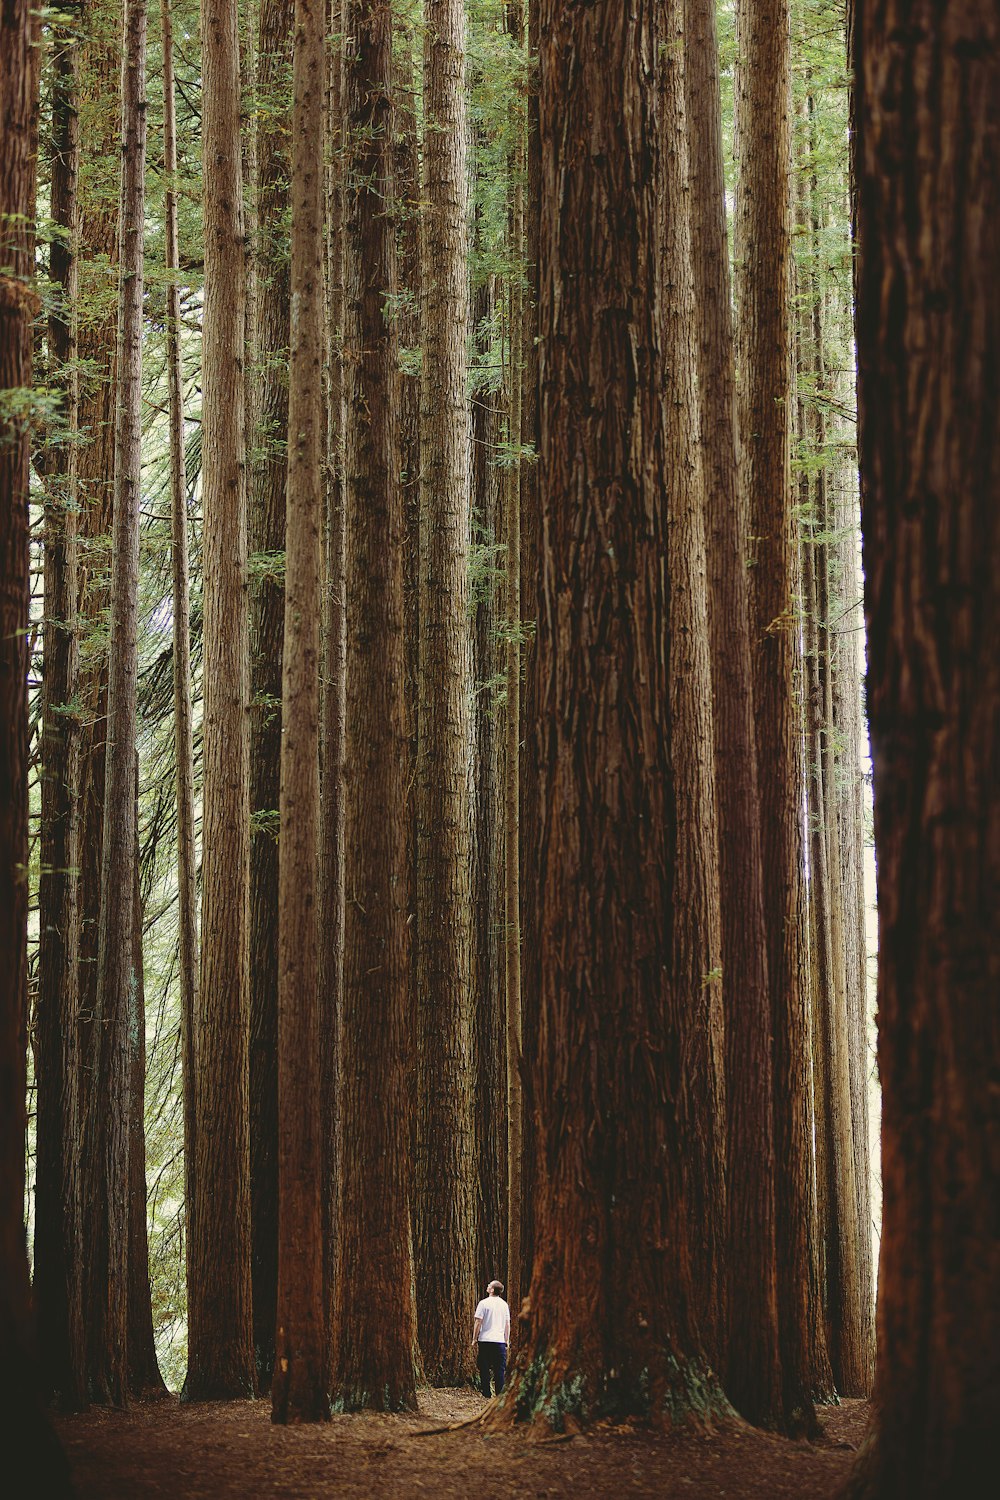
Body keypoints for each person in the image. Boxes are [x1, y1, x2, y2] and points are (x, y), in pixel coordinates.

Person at [472, 1279, 510, 1398]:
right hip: (499, 1342)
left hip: (485, 1341)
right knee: (499, 1369)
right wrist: (506, 1340)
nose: (487, 1286)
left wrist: (474, 1338)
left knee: (484, 1368)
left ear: (492, 1290)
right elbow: (507, 1324)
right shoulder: (504, 1305)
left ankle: (486, 1394)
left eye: (489, 1285)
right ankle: (499, 1395)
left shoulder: (483, 1303)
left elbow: (478, 1321)